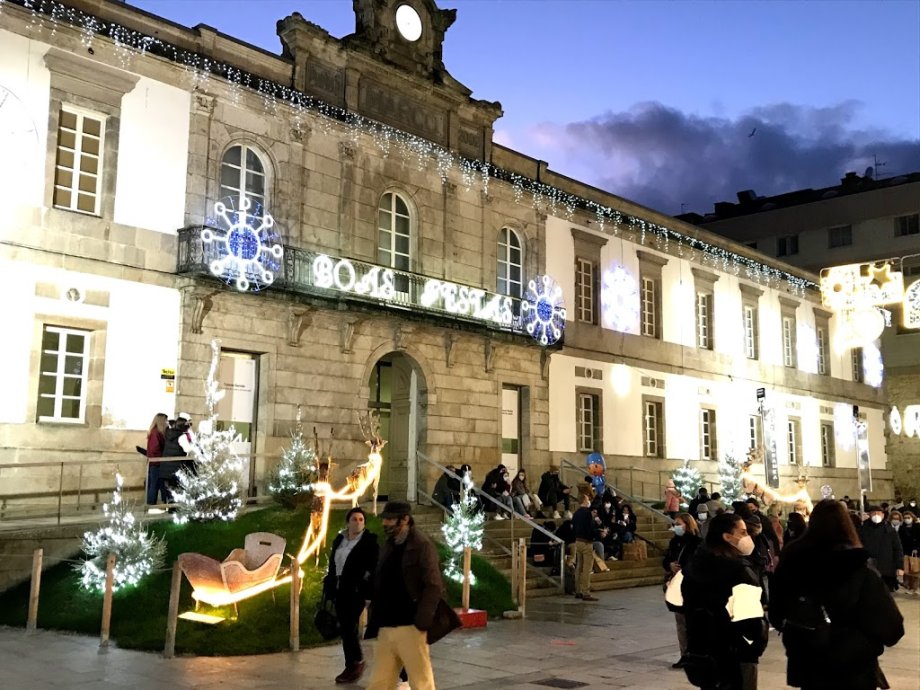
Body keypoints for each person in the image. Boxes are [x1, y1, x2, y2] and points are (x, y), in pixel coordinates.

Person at [769, 499, 905, 689]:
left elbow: (776, 612)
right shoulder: (858, 569)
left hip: (809, 664)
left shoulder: (792, 563)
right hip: (853, 668)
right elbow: (892, 627)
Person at [365, 501, 459, 690]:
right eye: (385, 519)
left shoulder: (422, 545)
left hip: (410, 625)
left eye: (391, 519)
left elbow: (433, 585)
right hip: (386, 624)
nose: (385, 524)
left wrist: (422, 621)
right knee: (379, 683)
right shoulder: (389, 545)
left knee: (421, 682)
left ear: (405, 519)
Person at [681, 512, 768, 690]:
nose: (748, 537)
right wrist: (756, 645)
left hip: (703, 654)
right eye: (743, 532)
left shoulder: (695, 567)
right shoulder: (739, 570)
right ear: (727, 537)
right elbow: (751, 621)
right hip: (736, 655)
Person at [324, 507, 379, 684]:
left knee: (348, 625)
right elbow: (333, 562)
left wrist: (368, 592)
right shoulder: (340, 539)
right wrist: (330, 582)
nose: (358, 523)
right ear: (348, 522)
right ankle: (352, 663)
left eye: (361, 519)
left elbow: (373, 568)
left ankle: (355, 662)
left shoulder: (369, 542)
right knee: (344, 626)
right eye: (354, 519)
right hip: (339, 589)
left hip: (356, 590)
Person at [663, 512, 702, 669]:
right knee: (681, 622)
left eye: (679, 523)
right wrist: (669, 565)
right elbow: (666, 558)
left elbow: (699, 564)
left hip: (692, 586)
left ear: (688, 524)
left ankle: (696, 654)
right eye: (676, 523)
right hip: (677, 586)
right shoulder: (674, 542)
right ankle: (684, 654)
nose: (677, 526)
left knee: (693, 622)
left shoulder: (697, 543)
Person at [860, 505, 904, 592]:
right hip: (868, 565)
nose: (876, 515)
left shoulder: (889, 530)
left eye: (879, 513)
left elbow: (897, 549)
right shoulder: (863, 529)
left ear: (883, 515)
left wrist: (900, 566)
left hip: (886, 568)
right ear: (869, 515)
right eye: (874, 513)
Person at [159, 412, 195, 503]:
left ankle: (170, 506)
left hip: (166, 467)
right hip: (176, 467)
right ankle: (173, 508)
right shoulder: (182, 436)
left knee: (170, 488)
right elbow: (187, 449)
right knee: (176, 488)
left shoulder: (169, 433)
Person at [571, 488, 598, 601]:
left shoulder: (576, 513)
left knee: (579, 567)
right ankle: (586, 592)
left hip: (578, 541)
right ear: (584, 501)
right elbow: (589, 529)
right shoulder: (587, 513)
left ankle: (578, 590)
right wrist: (597, 533)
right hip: (586, 542)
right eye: (587, 499)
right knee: (587, 568)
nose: (589, 501)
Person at [145, 412, 168, 505]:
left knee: (156, 484)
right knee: (154, 485)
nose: (167, 422)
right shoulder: (156, 433)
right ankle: (151, 504)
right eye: (165, 420)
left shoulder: (155, 432)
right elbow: (155, 449)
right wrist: (162, 457)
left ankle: (153, 503)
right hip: (156, 463)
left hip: (156, 463)